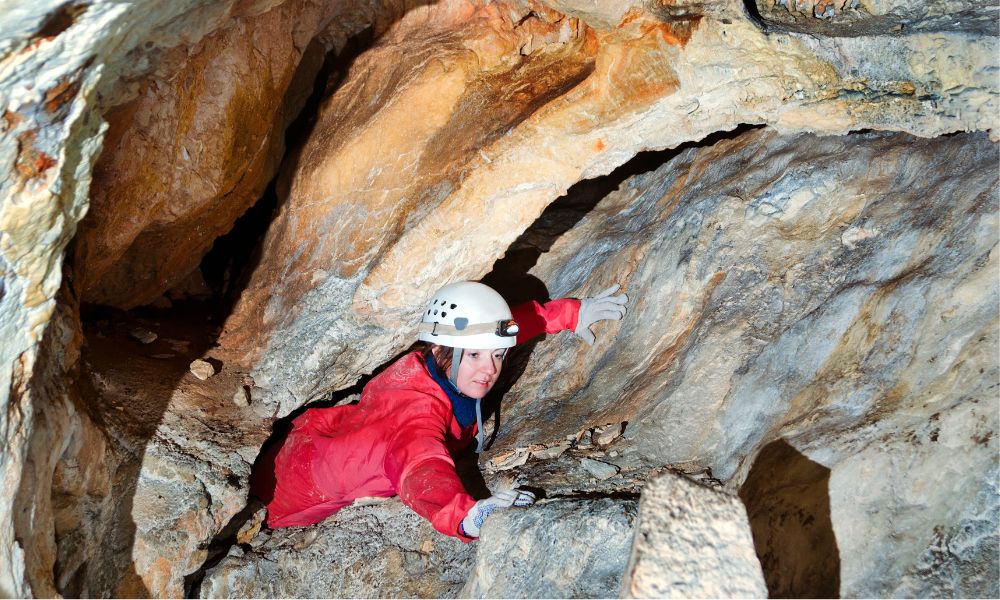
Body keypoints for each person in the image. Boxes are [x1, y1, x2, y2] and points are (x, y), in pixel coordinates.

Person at [250, 281, 628, 540]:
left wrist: (569, 314)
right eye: (477, 356)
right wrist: (467, 516)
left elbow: (504, 328)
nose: (490, 369)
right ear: (441, 351)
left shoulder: (443, 360)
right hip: (289, 497)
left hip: (313, 437)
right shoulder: (416, 415)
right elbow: (421, 470)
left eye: (497, 356)